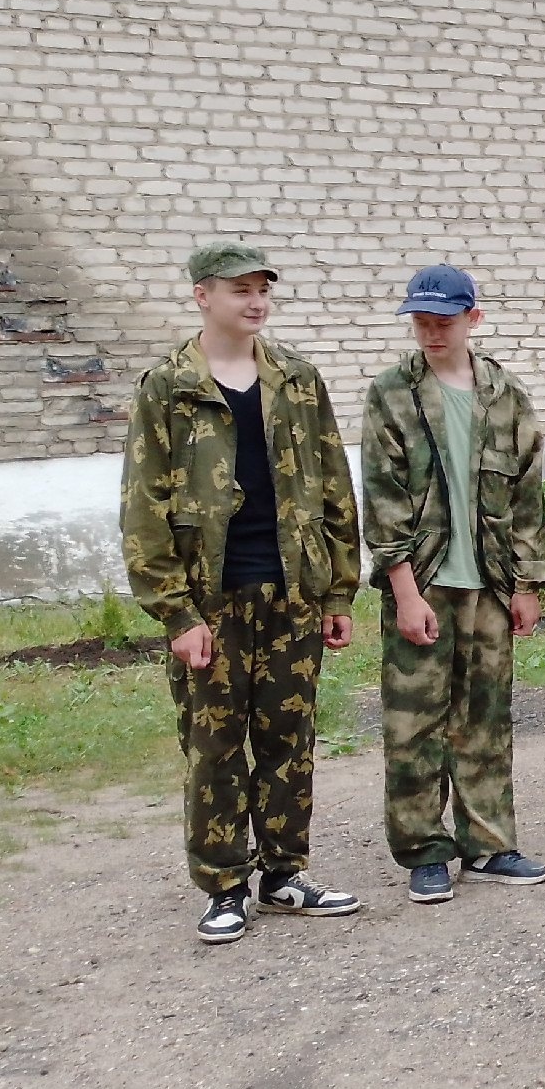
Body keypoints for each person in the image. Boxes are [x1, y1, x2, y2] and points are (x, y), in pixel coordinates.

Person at [121, 241, 364, 943]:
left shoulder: (296, 379)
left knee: (289, 740)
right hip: (210, 600)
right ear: (203, 295)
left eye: (262, 288)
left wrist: (338, 593)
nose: (255, 301)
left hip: (291, 593)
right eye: (239, 289)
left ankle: (284, 874)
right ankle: (224, 886)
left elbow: (333, 487)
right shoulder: (169, 384)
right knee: (215, 748)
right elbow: (144, 505)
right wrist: (175, 613)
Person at [360, 263, 545, 906]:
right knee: (415, 723)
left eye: (444, 319)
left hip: (492, 586)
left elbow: (528, 497)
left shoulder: (507, 395)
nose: (431, 331)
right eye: (421, 320)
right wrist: (405, 591)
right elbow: (383, 498)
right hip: (424, 584)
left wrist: (526, 583)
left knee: (486, 718)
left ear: (474, 318)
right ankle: (424, 850)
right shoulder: (392, 393)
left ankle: (490, 844)